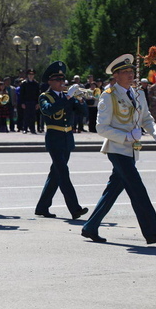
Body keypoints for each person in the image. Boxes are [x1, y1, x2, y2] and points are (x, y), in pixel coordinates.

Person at [81, 54, 156, 244]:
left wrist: (153, 130)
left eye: (132, 72)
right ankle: (152, 232)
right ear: (116, 75)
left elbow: (146, 117)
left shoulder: (138, 93)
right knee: (137, 190)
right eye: (126, 72)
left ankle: (90, 227)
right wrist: (127, 136)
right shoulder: (109, 95)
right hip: (117, 149)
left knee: (112, 191)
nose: (130, 75)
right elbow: (101, 127)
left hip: (132, 150)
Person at [34, 62, 89, 220]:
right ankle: (75, 208)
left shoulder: (67, 97)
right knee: (63, 174)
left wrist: (80, 99)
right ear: (50, 82)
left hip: (67, 139)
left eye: (62, 80)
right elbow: (48, 110)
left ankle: (42, 206)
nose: (61, 83)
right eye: (57, 80)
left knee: (56, 174)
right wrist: (69, 97)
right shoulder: (45, 96)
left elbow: (84, 113)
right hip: (54, 139)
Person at [19, 69, 41, 134]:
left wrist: (37, 103)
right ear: (27, 75)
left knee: (33, 116)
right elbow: (21, 94)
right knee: (26, 116)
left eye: (32, 74)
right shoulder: (24, 83)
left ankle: (32, 129)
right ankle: (25, 128)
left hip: (33, 102)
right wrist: (22, 103)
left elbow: (38, 94)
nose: (31, 76)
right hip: (26, 102)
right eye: (29, 74)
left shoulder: (36, 84)